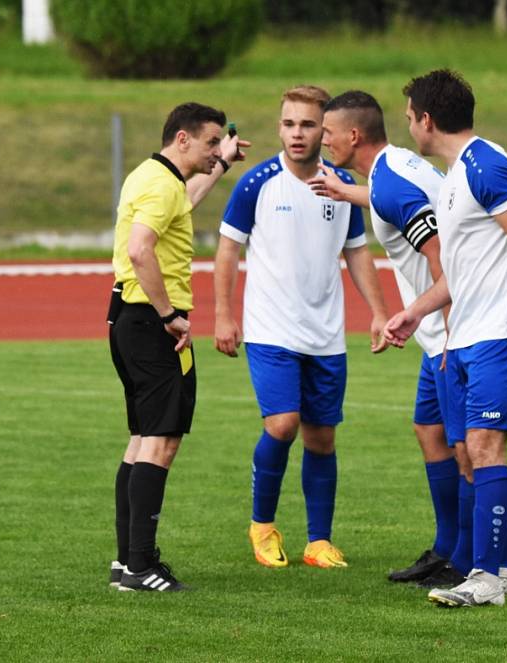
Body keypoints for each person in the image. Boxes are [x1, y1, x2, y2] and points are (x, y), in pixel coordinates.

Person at [385, 69, 507, 608]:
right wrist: (414, 312)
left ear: (427, 120)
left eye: (410, 115)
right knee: (467, 450)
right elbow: (458, 274)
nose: (409, 126)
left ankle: (483, 578)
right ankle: (506, 570)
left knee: (485, 448)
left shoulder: (487, 164)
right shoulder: (456, 175)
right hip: (461, 340)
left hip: (500, 337)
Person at [213, 85, 389, 570]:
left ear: (325, 131)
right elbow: (228, 248)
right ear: (279, 127)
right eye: (289, 124)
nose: (297, 133)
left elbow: (356, 251)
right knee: (283, 424)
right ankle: (262, 526)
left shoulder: (340, 184)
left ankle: (318, 542)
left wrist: (378, 311)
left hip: (326, 334)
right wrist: (224, 315)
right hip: (271, 329)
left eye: (308, 125)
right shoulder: (257, 183)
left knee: (322, 438)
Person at [312, 89, 473, 589]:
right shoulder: (393, 168)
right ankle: (446, 547)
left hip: (450, 332)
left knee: (467, 449)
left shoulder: (392, 185)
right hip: (435, 335)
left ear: (352, 136)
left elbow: (439, 253)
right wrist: (348, 194)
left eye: (328, 134)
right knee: (429, 430)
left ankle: (467, 559)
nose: (322, 141)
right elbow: (398, 202)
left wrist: (447, 331)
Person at [109, 102, 248, 592]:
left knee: (143, 439)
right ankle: (140, 566)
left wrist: (223, 163)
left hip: (129, 318)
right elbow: (140, 249)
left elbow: (181, 203)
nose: (217, 149)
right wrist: (169, 314)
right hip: (150, 323)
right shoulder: (158, 183)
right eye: (212, 142)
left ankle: (128, 562)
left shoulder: (154, 177)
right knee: (162, 441)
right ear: (183, 139)